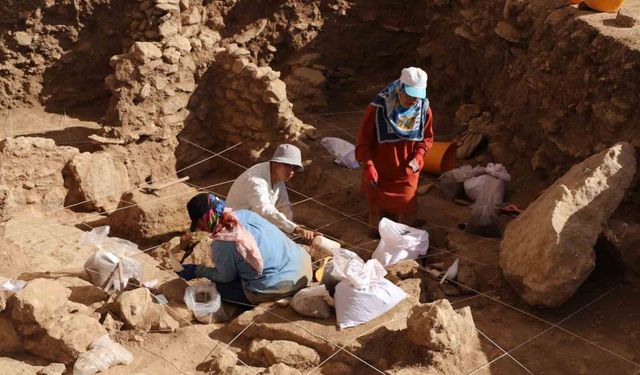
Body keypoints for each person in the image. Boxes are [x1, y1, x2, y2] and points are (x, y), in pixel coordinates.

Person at [177, 193, 312, 307]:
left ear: (204, 219)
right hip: (303, 269)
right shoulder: (246, 214)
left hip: (278, 286)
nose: (201, 229)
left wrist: (198, 270)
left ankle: (268, 298)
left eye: (199, 224)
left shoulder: (223, 242)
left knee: (217, 288)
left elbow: (226, 277)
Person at [355, 67, 434, 235]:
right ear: (401, 88)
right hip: (379, 166)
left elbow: (427, 137)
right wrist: (368, 165)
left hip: (407, 169)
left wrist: (419, 155)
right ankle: (376, 236)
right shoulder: (378, 108)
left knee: (407, 208)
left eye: (417, 96)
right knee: (376, 220)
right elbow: (364, 140)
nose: (413, 100)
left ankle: (403, 238)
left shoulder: (423, 109)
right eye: (410, 95)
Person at [225, 144, 316, 240]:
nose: (291, 172)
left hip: (255, 224)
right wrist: (295, 229)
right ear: (275, 163)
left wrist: (291, 232)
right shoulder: (255, 180)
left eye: (294, 168)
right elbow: (264, 210)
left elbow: (284, 206)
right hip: (235, 227)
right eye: (287, 166)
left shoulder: (278, 177)